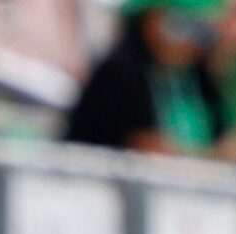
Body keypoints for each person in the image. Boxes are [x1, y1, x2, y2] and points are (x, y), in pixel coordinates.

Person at [61, 0, 225, 155]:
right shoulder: (120, 75)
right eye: (179, 24)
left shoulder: (198, 78)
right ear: (148, 20)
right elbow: (145, 147)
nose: (189, 39)